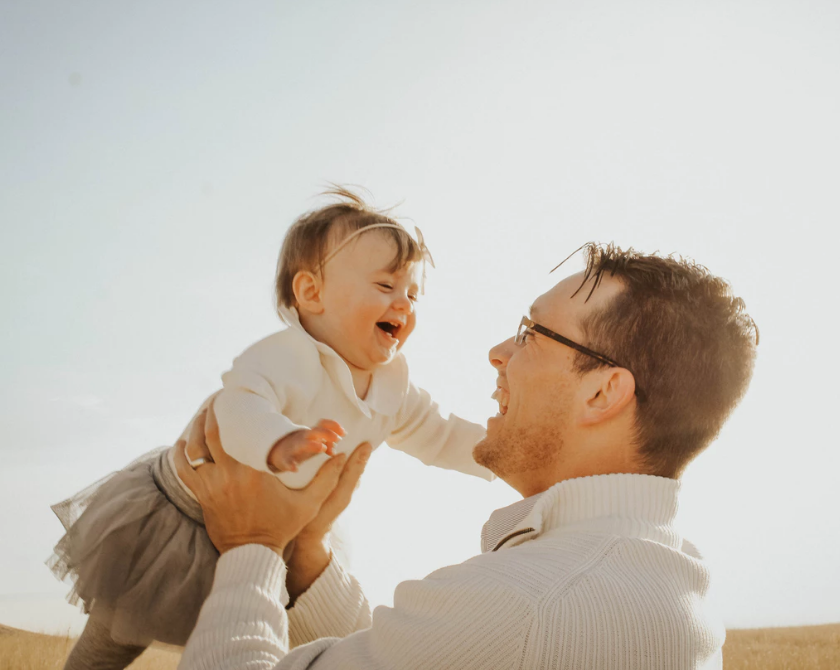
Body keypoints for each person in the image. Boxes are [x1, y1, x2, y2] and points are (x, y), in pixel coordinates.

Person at [173, 243, 759, 670]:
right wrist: (305, 556)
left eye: (532, 332)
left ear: (603, 391)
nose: (498, 352)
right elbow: (431, 650)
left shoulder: (528, 602)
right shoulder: (664, 580)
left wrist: (252, 544)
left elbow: (500, 627)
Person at [47, 188, 493, 670]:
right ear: (311, 293)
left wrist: (497, 455)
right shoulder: (287, 355)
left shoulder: (394, 386)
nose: (403, 304)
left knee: (246, 632)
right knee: (114, 637)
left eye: (412, 293)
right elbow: (237, 408)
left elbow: (441, 435)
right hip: (182, 518)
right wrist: (279, 440)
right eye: (386, 287)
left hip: (274, 532)